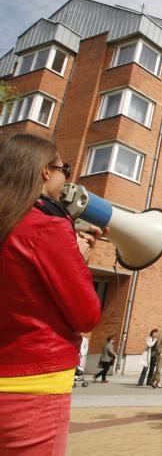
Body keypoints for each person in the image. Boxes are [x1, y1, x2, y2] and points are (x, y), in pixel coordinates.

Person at [0, 133, 102, 454]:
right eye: (64, 169)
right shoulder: (46, 227)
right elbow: (86, 315)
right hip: (34, 387)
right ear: (46, 171)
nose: (66, 177)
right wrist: (78, 261)